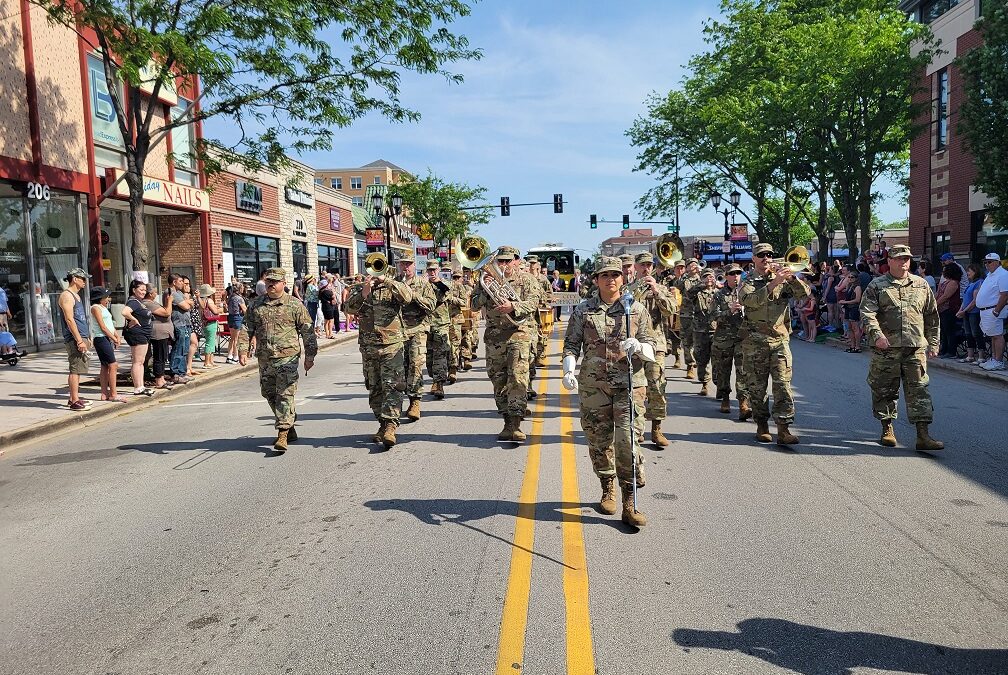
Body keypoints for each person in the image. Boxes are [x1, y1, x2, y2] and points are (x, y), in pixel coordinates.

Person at [561, 256, 657, 529]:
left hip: (629, 384)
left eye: (615, 274)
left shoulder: (635, 309)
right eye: (605, 275)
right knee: (599, 441)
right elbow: (571, 345)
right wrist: (568, 370)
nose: (611, 279)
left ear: (622, 278)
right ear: (596, 279)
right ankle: (607, 487)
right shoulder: (583, 311)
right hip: (594, 386)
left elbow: (652, 348)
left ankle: (630, 500)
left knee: (628, 441)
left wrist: (638, 347)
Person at [859, 245, 943, 450]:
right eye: (898, 258)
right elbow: (866, 313)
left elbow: (932, 316)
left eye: (906, 259)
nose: (903, 262)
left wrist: (933, 342)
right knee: (884, 390)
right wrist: (877, 335)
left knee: (920, 391)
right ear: (889, 261)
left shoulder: (921, 285)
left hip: (915, 348)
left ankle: (923, 435)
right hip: (887, 349)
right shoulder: (877, 286)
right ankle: (887, 428)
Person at [237, 267, 317, 452]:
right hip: (265, 358)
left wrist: (310, 355)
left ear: (284, 284)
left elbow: (307, 332)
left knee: (285, 394)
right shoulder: (256, 304)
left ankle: (282, 433)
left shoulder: (294, 305)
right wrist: (242, 349)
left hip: (287, 358)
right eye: (268, 282)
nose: (271, 285)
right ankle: (290, 427)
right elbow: (247, 328)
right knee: (269, 394)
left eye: (275, 282)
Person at [739, 242, 810, 446]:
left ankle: (783, 428)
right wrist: (772, 283)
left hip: (779, 340)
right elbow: (750, 301)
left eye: (769, 254)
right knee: (757, 387)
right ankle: (762, 425)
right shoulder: (748, 280)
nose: (766, 258)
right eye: (761, 255)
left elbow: (804, 294)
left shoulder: (783, 278)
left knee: (783, 384)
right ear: (753, 259)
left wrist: (791, 278)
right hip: (754, 342)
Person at [471, 245, 538, 442]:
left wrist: (513, 306)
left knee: (517, 378)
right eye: (500, 261)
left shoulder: (526, 280)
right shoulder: (484, 280)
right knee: (498, 379)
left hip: (518, 334)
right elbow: (473, 305)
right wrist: (484, 289)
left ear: (515, 261)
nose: (504, 265)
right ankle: (507, 419)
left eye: (508, 261)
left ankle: (515, 424)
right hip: (494, 337)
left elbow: (533, 303)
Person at [344, 264, 413, 448]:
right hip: (369, 347)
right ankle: (382, 424)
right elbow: (348, 309)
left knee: (392, 386)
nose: (375, 273)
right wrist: (364, 293)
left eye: (379, 268)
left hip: (392, 345)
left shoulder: (395, 285)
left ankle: (391, 425)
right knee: (374, 387)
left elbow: (407, 298)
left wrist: (387, 281)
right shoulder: (361, 288)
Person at [626, 252, 677, 447]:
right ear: (636, 267)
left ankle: (657, 429)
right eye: (642, 265)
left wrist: (656, 291)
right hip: (634, 345)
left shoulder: (662, 288)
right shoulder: (627, 289)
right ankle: (637, 429)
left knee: (657, 386)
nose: (646, 268)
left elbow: (670, 310)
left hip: (656, 345)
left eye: (649, 265)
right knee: (636, 388)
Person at [395, 251, 437, 421]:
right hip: (398, 331)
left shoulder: (423, 284)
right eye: (403, 264)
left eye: (408, 264)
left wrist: (414, 296)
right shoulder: (395, 283)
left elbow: (432, 304)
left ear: (414, 265)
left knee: (415, 365)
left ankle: (415, 401)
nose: (406, 267)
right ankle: (397, 405)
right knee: (399, 369)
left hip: (418, 329)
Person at [711, 264, 750, 418]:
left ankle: (743, 403)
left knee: (742, 371)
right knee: (723, 371)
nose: (735, 276)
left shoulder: (746, 293)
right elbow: (713, 316)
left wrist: (744, 310)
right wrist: (730, 311)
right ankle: (725, 398)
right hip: (724, 339)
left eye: (738, 273)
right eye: (732, 274)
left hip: (742, 338)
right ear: (726, 276)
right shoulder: (719, 295)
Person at [58, 268, 92, 410]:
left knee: (79, 369)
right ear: (75, 279)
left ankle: (74, 397)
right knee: (75, 369)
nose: (85, 282)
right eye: (82, 279)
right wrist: (78, 340)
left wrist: (86, 337)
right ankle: (74, 401)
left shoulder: (76, 296)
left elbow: (80, 319)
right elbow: (70, 320)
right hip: (73, 338)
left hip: (81, 336)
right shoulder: (67, 296)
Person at [89, 286, 125, 402]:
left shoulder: (104, 308)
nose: (108, 299)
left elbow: (110, 324)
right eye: (106, 297)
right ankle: (113, 394)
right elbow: (103, 327)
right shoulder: (95, 308)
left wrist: (116, 335)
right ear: (99, 298)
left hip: (107, 338)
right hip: (101, 338)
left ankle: (104, 393)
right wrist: (113, 338)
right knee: (113, 365)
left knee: (105, 366)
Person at [120, 279, 155, 396]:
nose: (143, 292)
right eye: (141, 289)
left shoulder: (139, 302)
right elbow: (125, 312)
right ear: (134, 290)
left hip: (143, 334)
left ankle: (141, 385)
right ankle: (137, 387)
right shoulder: (133, 301)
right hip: (137, 334)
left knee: (141, 361)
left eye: (145, 290)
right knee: (137, 361)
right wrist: (134, 319)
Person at [424, 257, 452, 399]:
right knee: (429, 357)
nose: (432, 272)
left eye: (434, 270)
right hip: (426, 325)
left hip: (440, 324)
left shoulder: (444, 283)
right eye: (430, 270)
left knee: (440, 355)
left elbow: (445, 292)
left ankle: (439, 383)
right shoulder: (422, 284)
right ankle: (434, 379)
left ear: (438, 270)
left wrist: (436, 282)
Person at [976, 252, 1008, 371]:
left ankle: (998, 361)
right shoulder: (990, 274)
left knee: (997, 335)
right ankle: (994, 359)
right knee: (992, 336)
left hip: (993, 310)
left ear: (996, 262)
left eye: (989, 262)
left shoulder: (1003, 275)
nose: (986, 264)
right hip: (986, 310)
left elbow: (1004, 295)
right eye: (985, 262)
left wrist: (997, 310)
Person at [689, 269, 719, 397]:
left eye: (711, 277)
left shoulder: (718, 292)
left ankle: (720, 386)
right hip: (700, 331)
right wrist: (702, 284)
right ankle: (705, 383)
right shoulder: (697, 292)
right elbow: (689, 294)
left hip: (717, 330)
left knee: (717, 360)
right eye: (706, 276)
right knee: (701, 359)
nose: (709, 279)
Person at [673, 258, 702, 379]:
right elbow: (677, 286)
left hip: (701, 315)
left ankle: (701, 367)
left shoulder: (703, 277)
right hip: (686, 315)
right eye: (690, 265)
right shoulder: (684, 279)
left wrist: (702, 273)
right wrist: (686, 274)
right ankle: (690, 366)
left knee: (700, 343)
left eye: (695, 264)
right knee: (686, 342)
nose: (694, 266)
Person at [165, 273, 192, 384]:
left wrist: (187, 302)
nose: (182, 283)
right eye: (180, 281)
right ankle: (175, 373)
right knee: (178, 349)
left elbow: (191, 305)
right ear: (174, 282)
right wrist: (187, 302)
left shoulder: (179, 293)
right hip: (178, 324)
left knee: (184, 349)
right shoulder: (170, 293)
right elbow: (186, 306)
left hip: (186, 323)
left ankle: (182, 372)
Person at [144, 284, 173, 390]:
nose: (156, 294)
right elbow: (166, 312)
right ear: (150, 294)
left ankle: (161, 378)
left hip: (163, 333)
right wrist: (169, 301)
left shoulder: (152, 302)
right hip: (157, 333)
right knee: (159, 356)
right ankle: (158, 380)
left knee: (162, 356)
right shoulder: (147, 303)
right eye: (155, 292)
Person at [956, 263, 986, 364]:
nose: (967, 273)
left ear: (976, 272)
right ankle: (970, 356)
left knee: (976, 333)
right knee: (968, 334)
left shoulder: (979, 283)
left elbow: (974, 301)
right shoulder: (970, 283)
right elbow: (965, 300)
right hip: (966, 312)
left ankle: (981, 356)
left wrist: (964, 311)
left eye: (969, 271)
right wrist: (961, 310)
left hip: (974, 312)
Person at [935, 262, 962, 358]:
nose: (943, 272)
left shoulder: (953, 283)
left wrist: (935, 304)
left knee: (949, 331)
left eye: (944, 270)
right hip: (941, 310)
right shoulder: (944, 282)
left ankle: (951, 351)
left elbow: (946, 296)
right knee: (943, 331)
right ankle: (943, 349)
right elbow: (938, 293)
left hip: (949, 310)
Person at [663, 259, 686, 368]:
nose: (680, 270)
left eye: (682, 268)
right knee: (674, 335)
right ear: (674, 269)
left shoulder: (688, 281)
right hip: (674, 311)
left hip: (686, 311)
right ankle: (677, 358)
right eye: (678, 268)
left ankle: (690, 364)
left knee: (687, 338)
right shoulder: (670, 281)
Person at [197, 284, 221, 369]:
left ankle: (211, 361)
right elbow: (215, 311)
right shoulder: (209, 300)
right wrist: (220, 309)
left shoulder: (201, 301)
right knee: (210, 342)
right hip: (211, 323)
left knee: (210, 341)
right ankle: (207, 362)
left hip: (205, 323)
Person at [226, 283, 247, 363]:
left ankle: (229, 356)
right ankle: (235, 357)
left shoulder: (230, 297)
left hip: (230, 317)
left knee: (232, 337)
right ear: (240, 289)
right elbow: (244, 310)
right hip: (237, 317)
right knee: (236, 339)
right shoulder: (239, 298)